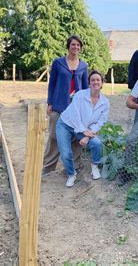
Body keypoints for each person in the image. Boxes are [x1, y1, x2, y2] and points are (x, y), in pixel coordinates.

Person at [43, 35, 89, 176]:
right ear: (68, 46)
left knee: (76, 137)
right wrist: (50, 102)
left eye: (78, 45)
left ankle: (73, 166)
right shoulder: (58, 63)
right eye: (73, 45)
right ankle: (48, 167)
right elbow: (52, 84)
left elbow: (86, 87)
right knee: (54, 136)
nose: (75, 47)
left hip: (77, 107)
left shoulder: (83, 65)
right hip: (59, 105)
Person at [56, 70, 110, 187]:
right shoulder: (80, 95)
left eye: (98, 80)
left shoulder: (105, 102)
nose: (95, 82)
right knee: (65, 153)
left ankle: (94, 166)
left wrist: (86, 136)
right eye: (92, 80)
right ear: (89, 83)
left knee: (96, 144)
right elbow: (75, 116)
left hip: (85, 129)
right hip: (66, 124)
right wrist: (84, 131)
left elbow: (101, 122)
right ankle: (71, 174)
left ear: (102, 83)